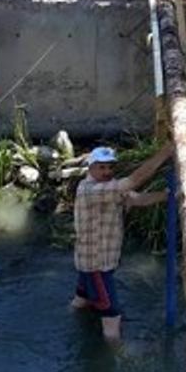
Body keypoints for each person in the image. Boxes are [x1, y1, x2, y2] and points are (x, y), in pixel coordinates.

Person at [71, 143, 174, 342]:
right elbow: (135, 180)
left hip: (88, 261)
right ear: (90, 168)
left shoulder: (107, 187)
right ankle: (114, 352)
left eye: (110, 167)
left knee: (81, 301)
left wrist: (168, 195)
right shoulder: (90, 190)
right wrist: (165, 152)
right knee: (112, 316)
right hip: (97, 266)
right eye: (101, 167)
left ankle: (73, 324)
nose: (107, 171)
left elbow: (137, 199)